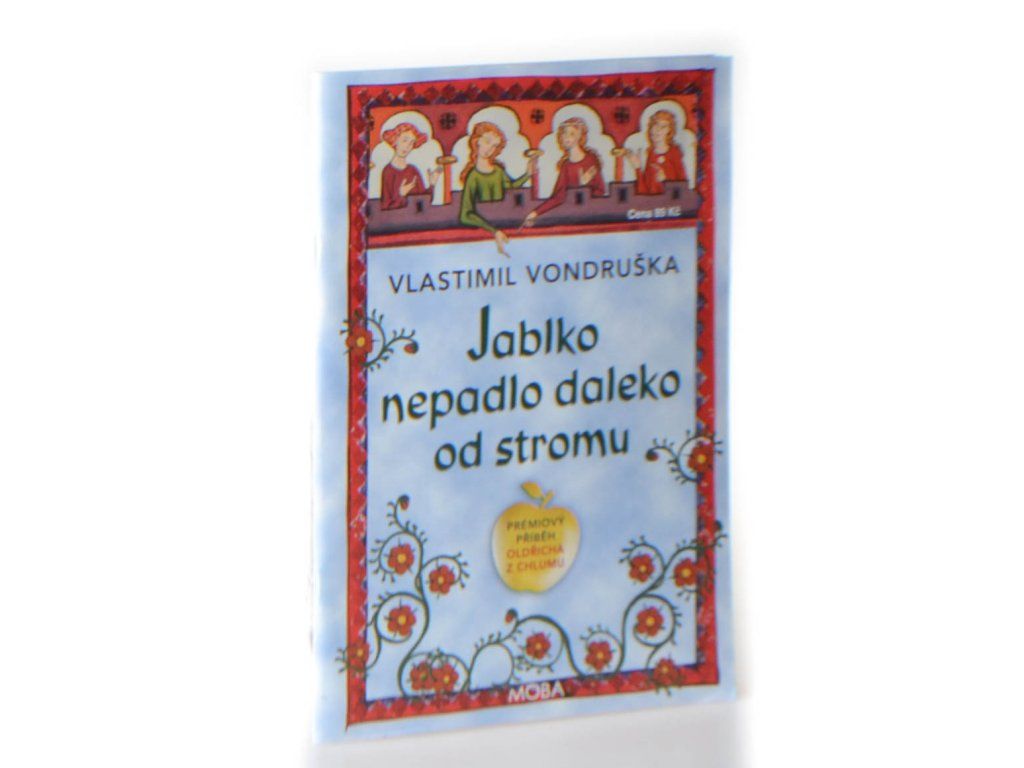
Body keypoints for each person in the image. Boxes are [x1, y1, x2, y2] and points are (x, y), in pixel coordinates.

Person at [458, 121, 535, 255]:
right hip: (483, 234)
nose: (489, 149)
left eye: (494, 146)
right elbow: (466, 214)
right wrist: (493, 230)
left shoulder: (498, 171)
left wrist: (527, 175)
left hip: (505, 222)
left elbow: (510, 187)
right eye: (487, 142)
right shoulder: (473, 176)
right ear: (477, 141)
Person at [522, 117, 605, 227]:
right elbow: (558, 196)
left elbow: (600, 191)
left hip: (590, 217)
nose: (566, 137)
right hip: (571, 215)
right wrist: (535, 212)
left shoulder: (590, 160)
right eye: (564, 133)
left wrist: (585, 186)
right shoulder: (566, 166)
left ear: (580, 136)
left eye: (572, 134)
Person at [379, 122, 440, 210]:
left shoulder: (413, 170)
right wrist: (401, 194)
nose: (407, 146)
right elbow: (385, 207)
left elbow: (424, 201)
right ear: (395, 140)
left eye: (411, 143)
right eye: (404, 140)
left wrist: (432, 184)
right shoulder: (388, 171)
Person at [626, 110, 687, 195]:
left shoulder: (674, 153)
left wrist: (665, 180)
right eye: (655, 125)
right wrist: (638, 168)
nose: (657, 130)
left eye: (663, 127)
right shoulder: (649, 153)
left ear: (669, 131)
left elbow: (682, 187)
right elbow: (643, 191)